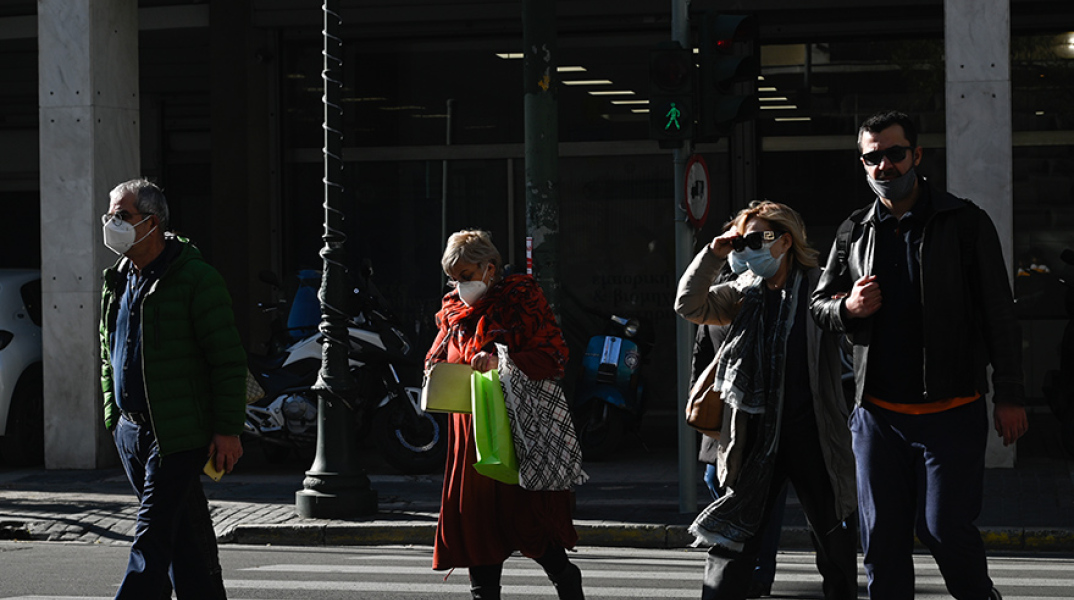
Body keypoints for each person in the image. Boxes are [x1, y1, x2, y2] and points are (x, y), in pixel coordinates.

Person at [810, 110, 1029, 600]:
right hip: (878, 419)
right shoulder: (853, 231)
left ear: (917, 154)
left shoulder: (964, 223)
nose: (884, 166)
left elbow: (999, 315)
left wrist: (1010, 394)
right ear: (862, 164)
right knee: (882, 544)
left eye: (894, 153)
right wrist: (848, 306)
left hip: (950, 413)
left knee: (943, 529)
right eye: (872, 157)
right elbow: (819, 306)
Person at [676, 201, 858, 600]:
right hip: (755, 437)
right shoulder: (742, 293)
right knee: (733, 540)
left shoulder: (820, 287)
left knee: (834, 540)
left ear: (785, 241)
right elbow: (688, 304)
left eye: (757, 239)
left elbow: (852, 335)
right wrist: (715, 252)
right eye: (742, 240)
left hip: (813, 433)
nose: (747, 248)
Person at [99, 178, 247, 599]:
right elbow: (106, 351)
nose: (112, 223)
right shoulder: (119, 279)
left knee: (152, 537)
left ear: (152, 223)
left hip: (177, 434)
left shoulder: (196, 279)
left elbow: (227, 360)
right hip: (131, 431)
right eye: (110, 215)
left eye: (122, 216)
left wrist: (227, 429)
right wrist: (114, 415)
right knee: (185, 537)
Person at [427, 229, 584, 600]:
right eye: (453, 278)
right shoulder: (453, 310)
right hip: (469, 432)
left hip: (517, 427)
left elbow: (554, 355)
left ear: (489, 268)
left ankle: (564, 576)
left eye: (465, 275)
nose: (459, 285)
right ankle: (485, 592)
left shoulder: (521, 299)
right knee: (478, 522)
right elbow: (437, 355)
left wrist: (502, 361)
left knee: (525, 517)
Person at [692, 319, 786, 598]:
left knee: (767, 497)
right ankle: (738, 561)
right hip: (725, 410)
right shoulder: (718, 295)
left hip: (766, 414)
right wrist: (696, 398)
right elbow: (702, 353)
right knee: (717, 482)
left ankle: (758, 571)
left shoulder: (777, 292)